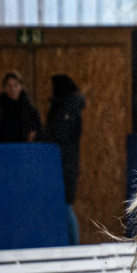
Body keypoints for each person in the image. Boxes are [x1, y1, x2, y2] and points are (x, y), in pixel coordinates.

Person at [39, 74, 85, 245]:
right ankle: (72, 243)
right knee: (64, 204)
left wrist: (41, 137)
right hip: (66, 162)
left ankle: (74, 244)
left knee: (65, 204)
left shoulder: (67, 109)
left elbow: (58, 134)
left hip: (64, 164)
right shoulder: (70, 107)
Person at [0, 71, 42, 143]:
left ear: (21, 86)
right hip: (4, 148)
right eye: (8, 86)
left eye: (16, 85)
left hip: (23, 149)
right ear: (4, 87)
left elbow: (36, 130)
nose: (12, 89)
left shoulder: (29, 110)